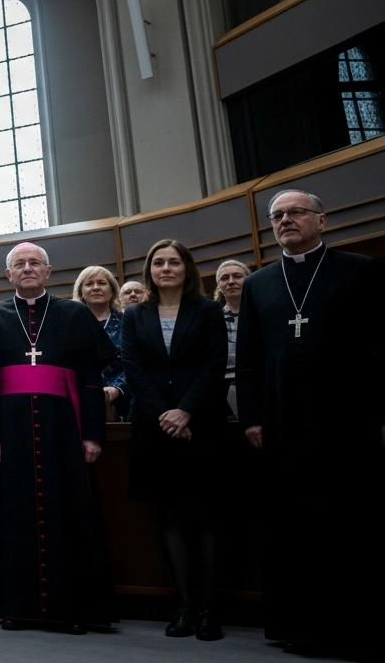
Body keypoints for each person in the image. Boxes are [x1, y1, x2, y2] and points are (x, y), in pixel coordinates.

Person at [237, 190, 384, 651]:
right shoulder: (258, 283)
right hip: (282, 424)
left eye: (295, 213)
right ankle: (296, 626)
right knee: (291, 524)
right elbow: (248, 358)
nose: (285, 220)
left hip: (348, 418)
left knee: (351, 521)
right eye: (277, 216)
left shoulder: (359, 270)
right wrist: (253, 418)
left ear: (322, 220)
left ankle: (357, 628)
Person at [0, 242, 115, 634]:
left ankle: (72, 610)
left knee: (68, 512)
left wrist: (93, 436)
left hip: (64, 432)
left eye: (35, 263)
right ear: (8, 274)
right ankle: (18, 607)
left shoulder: (74, 314)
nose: (28, 268)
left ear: (49, 272)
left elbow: (90, 380)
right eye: (20, 264)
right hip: (10, 433)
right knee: (14, 516)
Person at [120, 239, 228, 641]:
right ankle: (184, 606)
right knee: (170, 517)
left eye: (174, 262)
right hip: (154, 427)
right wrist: (162, 415)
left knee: (207, 517)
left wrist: (186, 411)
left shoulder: (208, 310)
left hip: (200, 424)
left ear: (187, 268)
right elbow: (132, 367)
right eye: (158, 263)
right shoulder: (135, 314)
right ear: (149, 270)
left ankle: (210, 611)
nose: (166, 268)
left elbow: (215, 363)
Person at [72, 266, 128, 421]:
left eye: (102, 283)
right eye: (89, 284)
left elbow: (135, 362)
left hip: (120, 401)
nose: (96, 288)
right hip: (80, 400)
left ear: (112, 291)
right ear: (81, 292)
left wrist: (117, 388)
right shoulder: (70, 325)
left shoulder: (127, 322)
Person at [213, 260, 249, 418]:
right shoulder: (212, 320)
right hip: (223, 391)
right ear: (219, 286)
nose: (231, 281)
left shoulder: (263, 314)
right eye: (224, 278)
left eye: (238, 276)